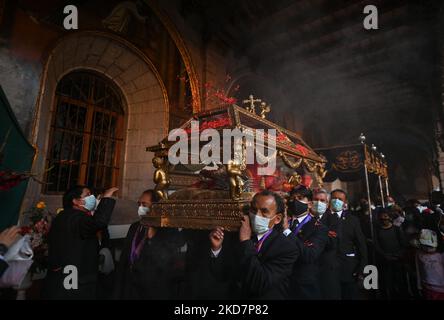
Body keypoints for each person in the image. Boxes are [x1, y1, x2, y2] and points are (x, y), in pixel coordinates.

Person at [202, 190, 299, 299]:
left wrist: (245, 241)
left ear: (277, 219)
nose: (256, 215)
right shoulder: (237, 236)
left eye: (264, 211)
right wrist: (217, 249)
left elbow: (260, 283)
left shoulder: (287, 247)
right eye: (253, 209)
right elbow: (222, 275)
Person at [44, 185, 118, 299]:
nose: (92, 197)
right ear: (76, 201)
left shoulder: (64, 216)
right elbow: (98, 223)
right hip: (73, 278)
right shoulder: (76, 217)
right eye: (87, 195)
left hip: (66, 275)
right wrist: (106, 199)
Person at [113, 189, 185, 299]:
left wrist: (152, 238)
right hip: (131, 287)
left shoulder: (167, 228)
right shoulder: (135, 226)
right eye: (139, 204)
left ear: (156, 206)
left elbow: (169, 259)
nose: (140, 208)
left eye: (144, 204)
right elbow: (125, 258)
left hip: (154, 289)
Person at [320, 189, 368, 300]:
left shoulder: (353, 220)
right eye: (334, 198)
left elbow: (362, 245)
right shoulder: (321, 219)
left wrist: (362, 269)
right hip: (327, 270)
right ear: (329, 200)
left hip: (348, 269)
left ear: (345, 202)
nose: (336, 201)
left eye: (340, 199)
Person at [284, 185, 328, 299]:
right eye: (293, 198)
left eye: (300, 198)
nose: (295, 202)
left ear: (309, 204)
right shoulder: (281, 223)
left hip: (304, 285)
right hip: (282, 283)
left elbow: (310, 255)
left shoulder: (319, 228)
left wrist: (287, 232)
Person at [374, 209, 408, 299]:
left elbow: (403, 244)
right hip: (385, 260)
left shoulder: (397, 229)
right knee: (389, 283)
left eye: (386, 218)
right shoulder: (377, 231)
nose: (384, 220)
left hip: (398, 260)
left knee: (400, 282)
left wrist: (398, 254)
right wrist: (385, 255)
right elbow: (377, 245)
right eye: (382, 219)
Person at [415, 229, 444, 300]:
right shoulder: (419, 254)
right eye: (425, 245)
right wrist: (419, 286)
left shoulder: (441, 255)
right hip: (427, 287)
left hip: (441, 288)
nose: (428, 248)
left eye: (430, 246)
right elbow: (418, 269)